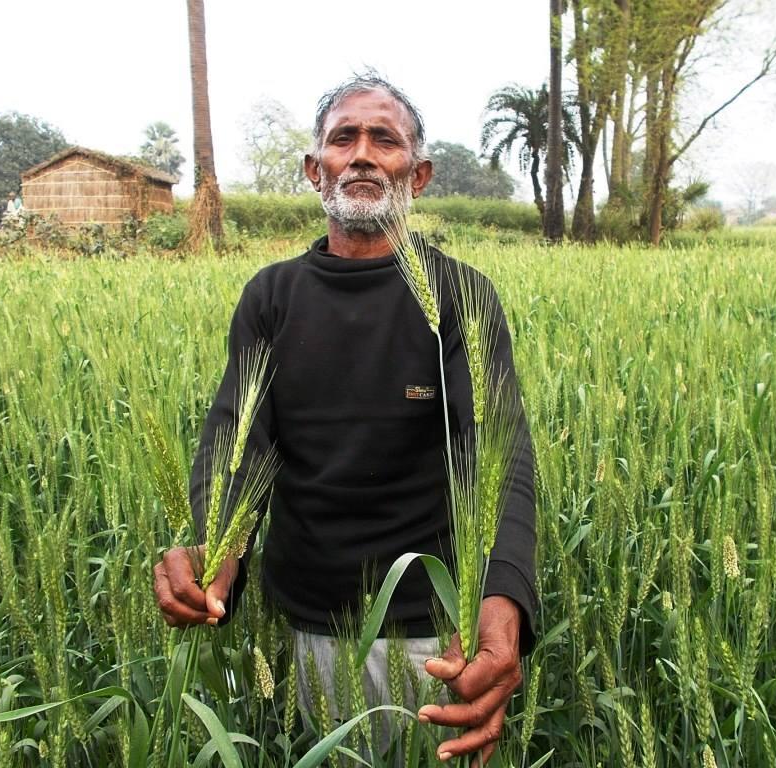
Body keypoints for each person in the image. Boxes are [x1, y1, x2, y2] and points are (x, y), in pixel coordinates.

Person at [154, 73, 536, 766]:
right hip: (298, 620)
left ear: (416, 175)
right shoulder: (272, 296)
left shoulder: (462, 294)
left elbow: (497, 456)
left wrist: (502, 598)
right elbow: (237, 438)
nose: (361, 153)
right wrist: (217, 555)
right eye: (343, 138)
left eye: (383, 139)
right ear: (314, 169)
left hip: (431, 630)